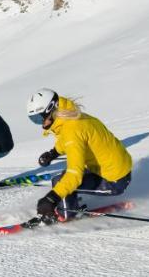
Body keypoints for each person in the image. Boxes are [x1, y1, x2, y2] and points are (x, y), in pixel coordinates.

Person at [27, 88, 132, 220]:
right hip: (117, 167)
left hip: (114, 180)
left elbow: (74, 173)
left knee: (60, 182)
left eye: (38, 118)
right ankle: (70, 205)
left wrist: (50, 199)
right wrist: (53, 153)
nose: (40, 124)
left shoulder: (72, 131)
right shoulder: (73, 117)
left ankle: (66, 215)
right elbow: (69, 140)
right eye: (34, 119)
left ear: (51, 111)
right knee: (64, 179)